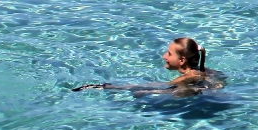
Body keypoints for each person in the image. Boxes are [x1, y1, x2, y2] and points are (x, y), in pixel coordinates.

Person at [72, 38, 226, 97]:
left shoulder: (187, 77)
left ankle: (104, 87)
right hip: (206, 89)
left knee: (144, 92)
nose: (165, 56)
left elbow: (165, 87)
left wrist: (142, 91)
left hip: (202, 93)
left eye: (169, 53)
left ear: (182, 60)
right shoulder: (203, 71)